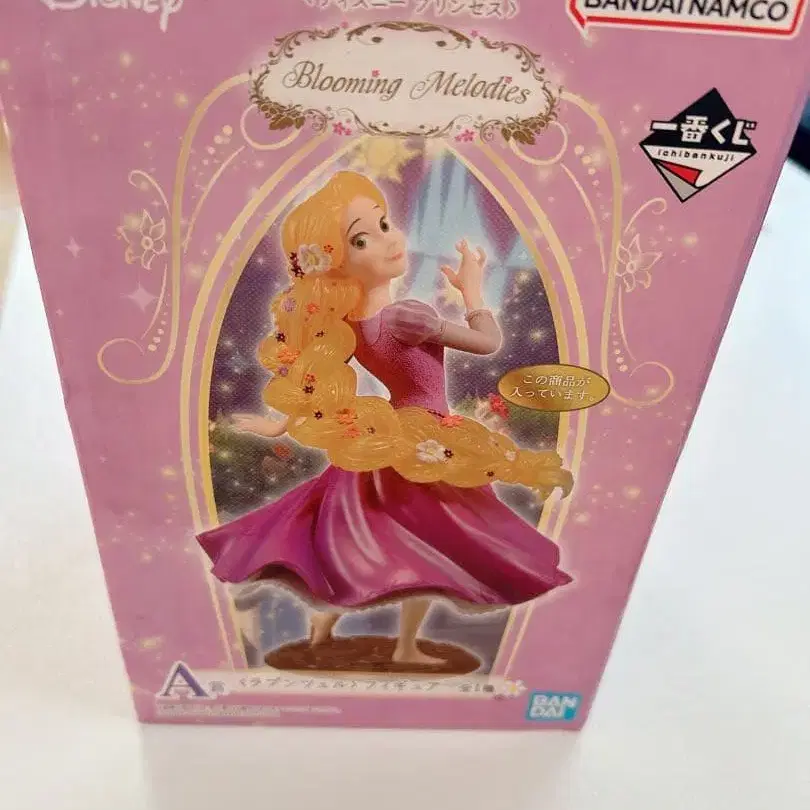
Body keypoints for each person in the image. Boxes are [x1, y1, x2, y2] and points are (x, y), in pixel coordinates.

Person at [198, 171, 573, 666]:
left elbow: (315, 380)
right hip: (423, 442)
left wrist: (278, 425)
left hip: (388, 440)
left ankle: (323, 628)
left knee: (359, 540)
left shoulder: (348, 325)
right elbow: (488, 343)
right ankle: (405, 647)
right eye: (361, 239)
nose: (389, 239)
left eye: (383, 224)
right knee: (429, 548)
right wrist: (473, 293)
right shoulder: (405, 318)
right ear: (336, 264)